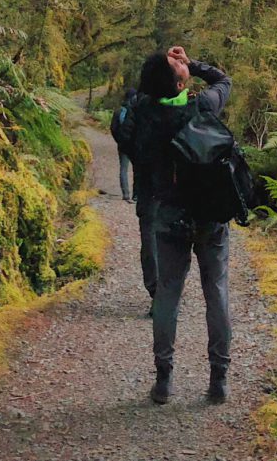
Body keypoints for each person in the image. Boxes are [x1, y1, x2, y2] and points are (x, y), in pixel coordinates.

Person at [126, 44, 233, 406]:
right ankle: (218, 381)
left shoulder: (144, 112)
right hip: (210, 216)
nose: (178, 62)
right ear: (179, 81)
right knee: (215, 291)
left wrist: (171, 67)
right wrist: (195, 63)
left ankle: (164, 381)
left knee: (168, 294)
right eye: (174, 64)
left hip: (168, 214)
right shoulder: (202, 107)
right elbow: (223, 79)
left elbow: (138, 100)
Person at [114, 85, 137, 203]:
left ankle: (126, 194)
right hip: (135, 144)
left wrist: (119, 139)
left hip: (122, 144)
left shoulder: (119, 111)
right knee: (137, 169)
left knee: (123, 168)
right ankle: (136, 195)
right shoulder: (138, 110)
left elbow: (113, 128)